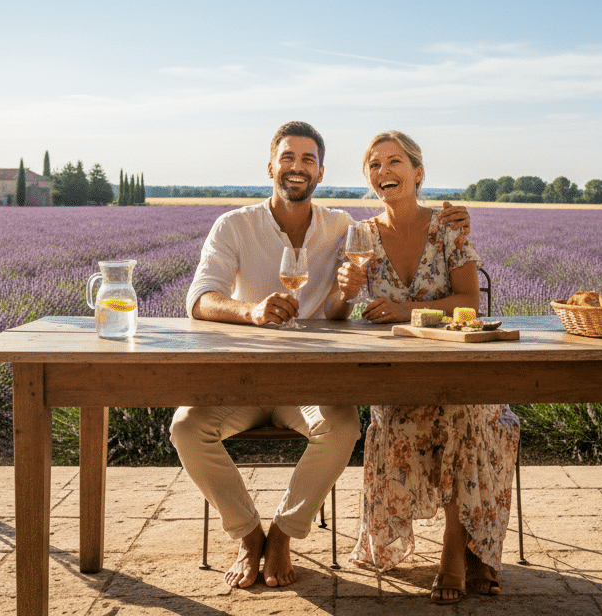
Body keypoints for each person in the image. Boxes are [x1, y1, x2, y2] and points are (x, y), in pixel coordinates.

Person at [173, 121, 471, 590]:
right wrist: (250, 311)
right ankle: (249, 534)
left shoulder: (341, 227)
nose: (297, 167)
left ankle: (285, 534)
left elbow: (340, 304)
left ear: (321, 171)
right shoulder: (234, 225)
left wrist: (345, 294)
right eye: (288, 157)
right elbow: (199, 299)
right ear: (271, 166)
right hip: (244, 380)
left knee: (344, 427)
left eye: (307, 159)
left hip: (308, 384)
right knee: (186, 427)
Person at [332, 130, 520, 605]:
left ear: (417, 172)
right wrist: (346, 289)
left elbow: (469, 302)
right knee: (423, 417)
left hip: (460, 374)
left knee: (465, 414)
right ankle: (475, 552)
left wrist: (403, 309)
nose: (383, 172)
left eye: (394, 161)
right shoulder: (362, 235)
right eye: (373, 165)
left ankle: (456, 553)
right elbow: (340, 308)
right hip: (399, 381)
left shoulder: (449, 227)